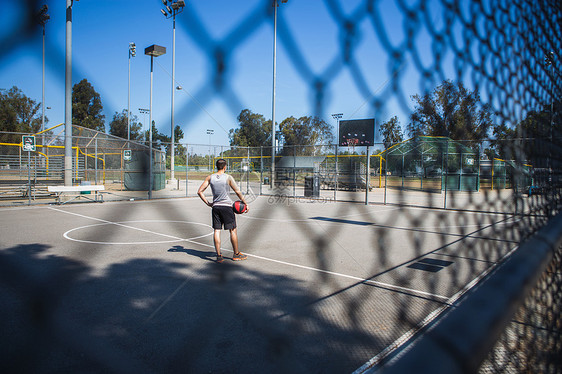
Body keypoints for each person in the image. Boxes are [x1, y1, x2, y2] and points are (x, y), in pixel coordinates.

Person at [198, 158, 249, 263]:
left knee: (217, 231)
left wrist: (208, 203)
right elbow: (237, 191)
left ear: (216, 166)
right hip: (227, 207)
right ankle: (236, 254)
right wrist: (245, 202)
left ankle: (219, 256)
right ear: (225, 167)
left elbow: (199, 192)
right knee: (233, 230)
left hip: (216, 207)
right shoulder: (228, 177)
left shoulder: (210, 177)